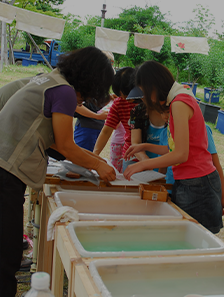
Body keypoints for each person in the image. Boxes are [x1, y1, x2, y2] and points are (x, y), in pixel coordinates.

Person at [0, 46, 116, 296]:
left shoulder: (50, 79)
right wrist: (97, 165)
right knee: (6, 256)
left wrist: (92, 159)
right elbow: (65, 145)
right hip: (5, 173)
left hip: (5, 168)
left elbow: (53, 142)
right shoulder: (63, 91)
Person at [123, 60, 223, 234]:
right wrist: (145, 146)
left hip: (197, 183)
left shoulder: (179, 103)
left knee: (193, 239)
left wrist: (143, 164)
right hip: (191, 181)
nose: (144, 98)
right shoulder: (179, 98)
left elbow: (181, 154)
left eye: (144, 92)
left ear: (153, 86)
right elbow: (176, 149)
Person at [158, 109, 224, 216]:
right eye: (161, 112)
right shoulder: (165, 133)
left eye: (168, 111)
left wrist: (223, 197)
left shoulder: (202, 129)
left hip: (194, 191)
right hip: (171, 190)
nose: (165, 116)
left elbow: (215, 164)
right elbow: (163, 166)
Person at [93, 67, 140, 170]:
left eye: (126, 94)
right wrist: (95, 155)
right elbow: (106, 131)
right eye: (120, 95)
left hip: (153, 155)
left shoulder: (147, 102)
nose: (124, 98)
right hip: (130, 155)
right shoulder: (118, 103)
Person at [73, 50, 115, 152]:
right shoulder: (83, 82)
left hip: (96, 128)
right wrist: (97, 116)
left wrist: (108, 99)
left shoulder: (97, 83)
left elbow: (95, 105)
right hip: (86, 128)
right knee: (81, 158)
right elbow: (76, 105)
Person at [129, 89, 167, 171]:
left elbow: (171, 151)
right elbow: (136, 142)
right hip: (147, 167)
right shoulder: (138, 111)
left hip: (169, 166)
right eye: (141, 96)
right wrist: (145, 161)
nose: (143, 99)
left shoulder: (173, 110)